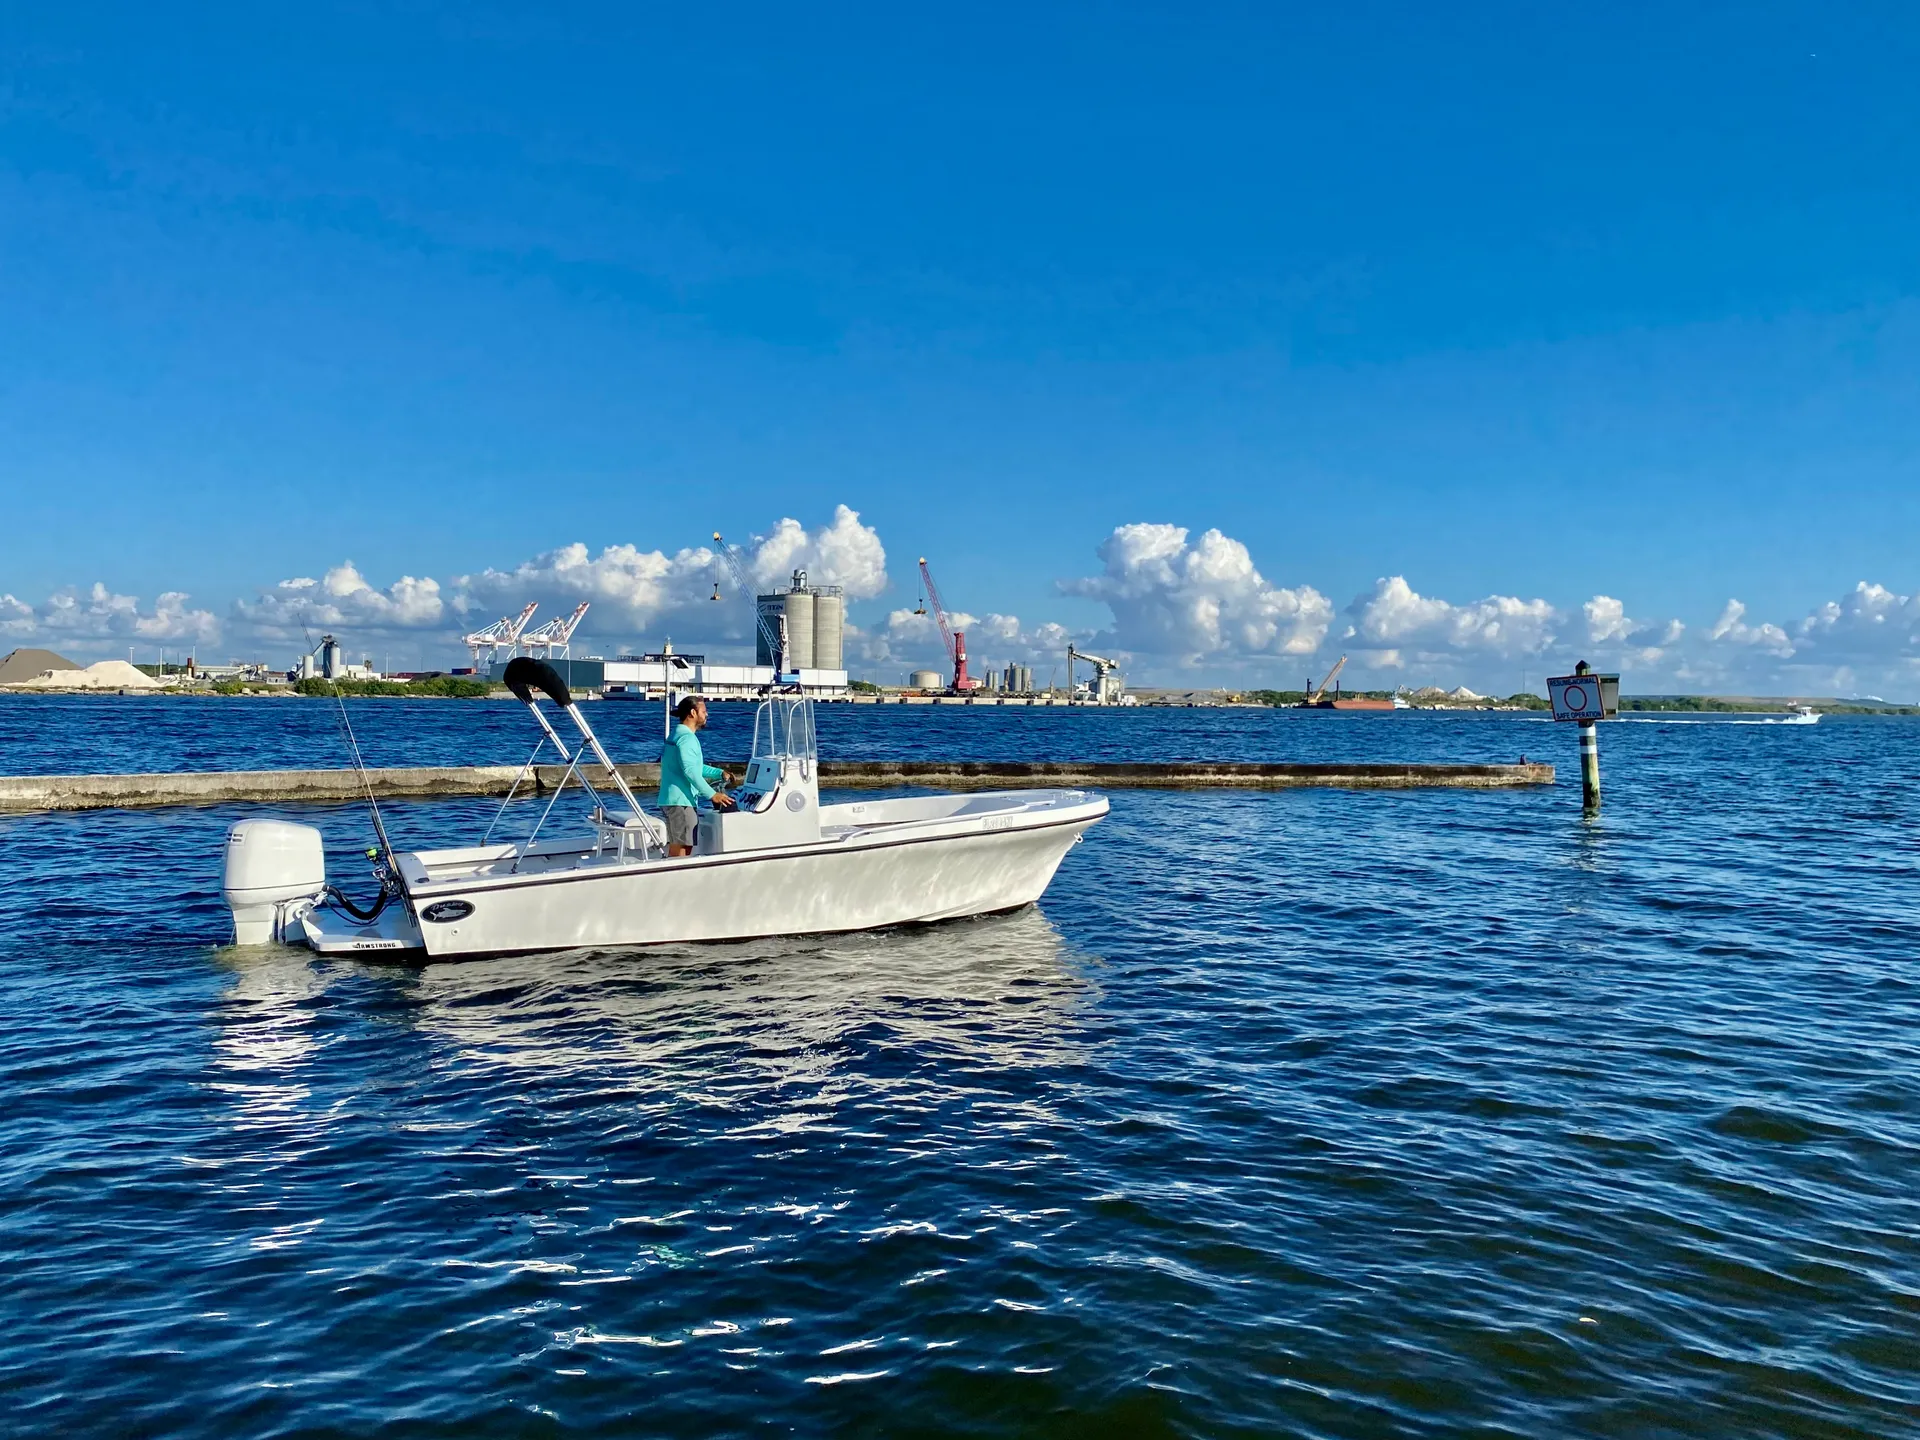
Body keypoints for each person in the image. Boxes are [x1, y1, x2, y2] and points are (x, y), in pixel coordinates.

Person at [659, 695, 734, 856]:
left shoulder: (675, 735)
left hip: (672, 799)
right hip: (681, 801)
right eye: (704, 711)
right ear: (693, 713)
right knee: (682, 849)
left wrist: (719, 773)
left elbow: (693, 767)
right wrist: (712, 794)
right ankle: (675, 878)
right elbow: (690, 771)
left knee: (678, 846)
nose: (707, 715)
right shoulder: (687, 739)